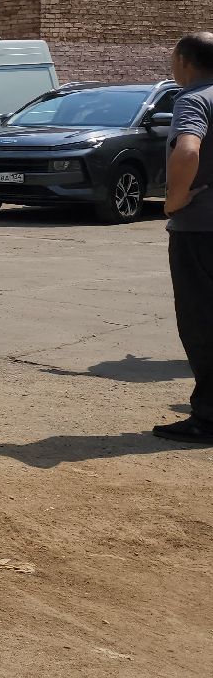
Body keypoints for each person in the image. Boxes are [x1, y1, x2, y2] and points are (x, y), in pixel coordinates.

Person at [157, 31, 213, 443]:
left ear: (184, 61)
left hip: (200, 230)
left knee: (201, 322)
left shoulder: (193, 99)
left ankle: (208, 418)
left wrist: (174, 199)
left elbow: (188, 151)